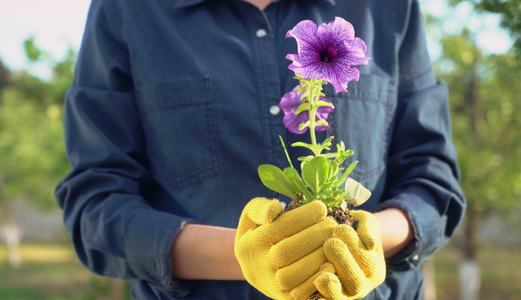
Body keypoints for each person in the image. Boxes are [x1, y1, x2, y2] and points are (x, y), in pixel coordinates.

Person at [55, 0, 466, 299]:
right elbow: (96, 206)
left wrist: (367, 239)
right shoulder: (128, 10)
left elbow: (434, 183)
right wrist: (253, 256)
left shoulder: (387, 8)